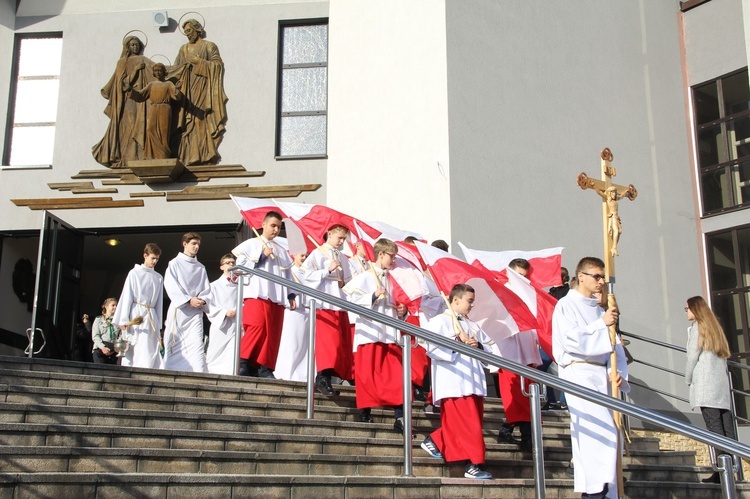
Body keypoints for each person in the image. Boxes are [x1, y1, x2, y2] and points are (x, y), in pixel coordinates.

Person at [552, 256, 630, 499]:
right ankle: (596, 490)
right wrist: (601, 325)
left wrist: (615, 372)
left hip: (602, 377)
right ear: (581, 276)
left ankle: (605, 490)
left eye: (602, 277)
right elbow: (571, 340)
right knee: (598, 431)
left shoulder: (599, 309)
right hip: (580, 372)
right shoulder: (566, 305)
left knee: (611, 432)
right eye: (596, 276)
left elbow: (614, 346)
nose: (600, 282)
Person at [419, 283, 494, 479]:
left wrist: (477, 346)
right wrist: (456, 342)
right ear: (456, 299)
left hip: (474, 381)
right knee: (468, 426)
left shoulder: (472, 325)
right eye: (469, 301)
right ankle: (474, 464)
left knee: (469, 424)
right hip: (453, 381)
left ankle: (435, 441)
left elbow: (490, 351)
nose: (471, 306)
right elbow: (432, 348)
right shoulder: (438, 322)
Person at [343, 239, 406, 431]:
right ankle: (365, 412)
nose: (394, 260)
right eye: (391, 256)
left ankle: (400, 417)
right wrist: (371, 296)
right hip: (370, 333)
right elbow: (349, 301)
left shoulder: (394, 280)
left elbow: (398, 306)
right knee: (367, 376)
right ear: (380, 254)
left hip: (389, 334)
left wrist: (402, 310)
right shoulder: (364, 277)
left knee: (396, 376)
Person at [232, 211, 294, 378]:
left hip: (276, 295)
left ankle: (264, 367)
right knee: (256, 327)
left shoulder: (281, 250)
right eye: (273, 225)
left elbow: (288, 275)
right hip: (256, 293)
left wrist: (291, 295)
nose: (275, 230)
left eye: (279, 227)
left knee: (272, 333)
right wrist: (261, 256)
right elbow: (240, 268)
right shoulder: (251, 244)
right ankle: (244, 362)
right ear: (264, 224)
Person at [684, 295, 736, 484]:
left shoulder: (697, 328)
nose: (686, 312)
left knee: (714, 430)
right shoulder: (715, 328)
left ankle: (721, 473)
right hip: (720, 387)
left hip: (706, 386)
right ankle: (731, 471)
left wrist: (688, 378)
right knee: (726, 431)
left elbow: (692, 357)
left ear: (695, 310)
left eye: (687, 309)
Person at [300, 224, 354, 395]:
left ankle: (332, 376)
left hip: (339, 303)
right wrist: (326, 271)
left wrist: (344, 283)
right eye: (339, 237)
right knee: (328, 343)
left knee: (338, 344)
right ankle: (322, 377)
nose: (341, 241)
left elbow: (349, 280)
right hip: (325, 304)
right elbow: (305, 275)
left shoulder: (343, 257)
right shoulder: (317, 253)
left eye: (344, 239)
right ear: (329, 234)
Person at [496, 258, 542, 452]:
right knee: (515, 394)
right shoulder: (500, 292)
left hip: (527, 349)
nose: (523, 280)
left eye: (525, 276)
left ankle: (519, 434)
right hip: (510, 350)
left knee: (527, 394)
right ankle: (521, 435)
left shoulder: (530, 294)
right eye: (519, 276)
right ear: (510, 273)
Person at [169, 19, 228, 165]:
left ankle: (204, 154)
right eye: (185, 32)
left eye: (189, 30)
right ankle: (188, 155)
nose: (188, 34)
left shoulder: (208, 46)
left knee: (200, 119)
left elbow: (217, 65)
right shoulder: (183, 49)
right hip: (187, 89)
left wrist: (198, 62)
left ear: (197, 29)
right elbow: (176, 69)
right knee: (187, 122)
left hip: (203, 88)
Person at [92, 35, 153, 168]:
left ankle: (141, 155)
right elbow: (122, 84)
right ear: (127, 47)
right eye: (132, 45)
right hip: (128, 100)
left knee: (141, 125)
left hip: (141, 100)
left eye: (137, 45)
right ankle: (127, 157)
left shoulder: (143, 59)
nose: (135, 47)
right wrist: (136, 71)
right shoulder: (122, 63)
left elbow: (158, 69)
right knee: (130, 127)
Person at [162, 232, 211, 372]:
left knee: (196, 343)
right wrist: (188, 300)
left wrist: (201, 300)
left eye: (198, 245)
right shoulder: (174, 263)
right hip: (180, 310)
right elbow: (170, 285)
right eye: (193, 244)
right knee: (176, 343)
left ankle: (197, 372)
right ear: (185, 244)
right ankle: (171, 372)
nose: (196, 247)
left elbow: (206, 289)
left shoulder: (201, 267)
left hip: (195, 313)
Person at [113, 243, 164, 369]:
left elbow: (159, 302)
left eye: (157, 259)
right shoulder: (134, 273)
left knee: (149, 346)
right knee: (136, 343)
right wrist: (124, 319)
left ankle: (148, 370)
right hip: (136, 313)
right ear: (145, 256)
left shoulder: (158, 277)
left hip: (151, 315)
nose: (155, 261)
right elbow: (127, 296)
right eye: (152, 258)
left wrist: (158, 323)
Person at [126, 63, 183, 160]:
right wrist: (131, 90)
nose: (158, 72)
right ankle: (151, 155)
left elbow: (177, 97)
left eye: (160, 70)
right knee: (150, 130)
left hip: (165, 109)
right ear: (153, 72)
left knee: (163, 132)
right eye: (156, 70)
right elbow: (141, 95)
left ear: (164, 72)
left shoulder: (168, 84)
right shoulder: (151, 84)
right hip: (153, 109)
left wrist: (177, 89)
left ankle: (163, 155)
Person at [274, 253, 311, 382]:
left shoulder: (309, 272)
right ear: (294, 256)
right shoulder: (290, 271)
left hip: (308, 310)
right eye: (302, 255)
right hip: (294, 311)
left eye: (307, 256)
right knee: (292, 343)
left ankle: (304, 374)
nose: (305, 258)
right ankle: (286, 372)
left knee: (305, 345)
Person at [205, 253, 239, 375]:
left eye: (233, 263)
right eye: (228, 263)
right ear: (221, 267)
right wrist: (224, 312)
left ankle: (232, 373)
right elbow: (208, 305)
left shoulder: (241, 284)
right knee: (216, 351)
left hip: (237, 322)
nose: (231, 265)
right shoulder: (213, 286)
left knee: (234, 351)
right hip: (221, 323)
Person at [91, 298, 119, 365]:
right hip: (100, 349)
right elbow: (95, 336)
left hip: (113, 350)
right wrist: (103, 348)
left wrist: (115, 349)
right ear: (106, 307)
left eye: (116, 305)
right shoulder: (99, 319)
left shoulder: (118, 321)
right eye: (113, 305)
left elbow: (120, 336)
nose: (115, 307)